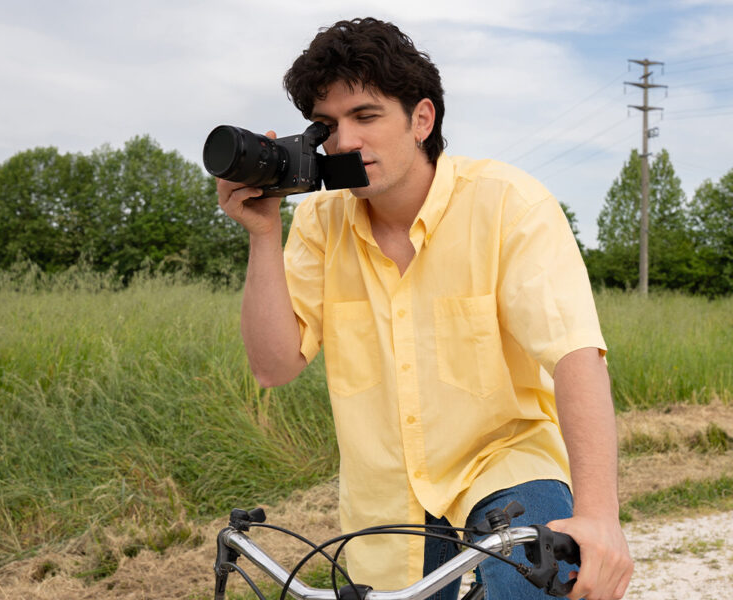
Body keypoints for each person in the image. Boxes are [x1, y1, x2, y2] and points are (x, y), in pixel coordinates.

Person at [216, 17, 633, 600]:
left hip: (504, 462)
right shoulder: (318, 220)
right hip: (383, 492)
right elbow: (274, 366)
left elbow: (576, 357)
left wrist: (598, 519)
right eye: (328, 126)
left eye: (365, 116)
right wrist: (263, 234)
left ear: (421, 119)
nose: (345, 142)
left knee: (530, 585)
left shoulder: (507, 203)